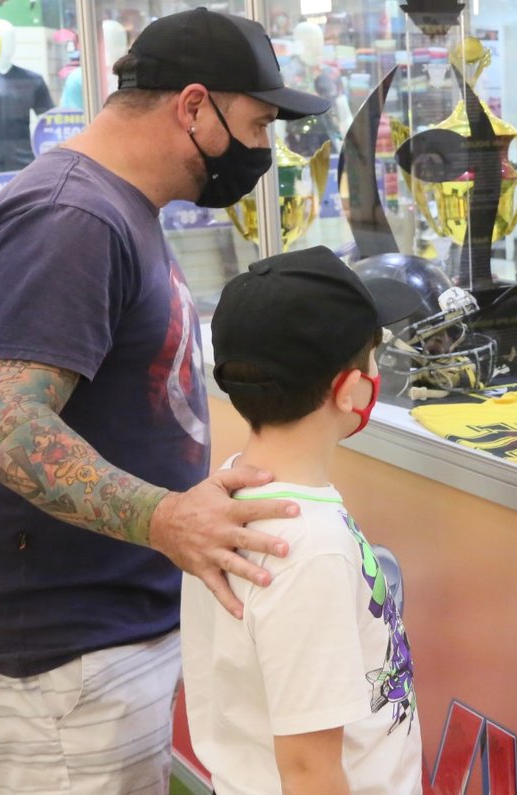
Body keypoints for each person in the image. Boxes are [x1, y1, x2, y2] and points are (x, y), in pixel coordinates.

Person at [0, 7, 332, 794]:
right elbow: (3, 428)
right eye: (257, 122)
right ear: (195, 106)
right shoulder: (69, 218)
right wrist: (167, 518)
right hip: (49, 656)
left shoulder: (113, 207)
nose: (262, 149)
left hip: (95, 638)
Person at [182, 246, 424, 795]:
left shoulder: (228, 493)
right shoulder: (310, 545)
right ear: (352, 389)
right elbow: (310, 772)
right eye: (372, 360)